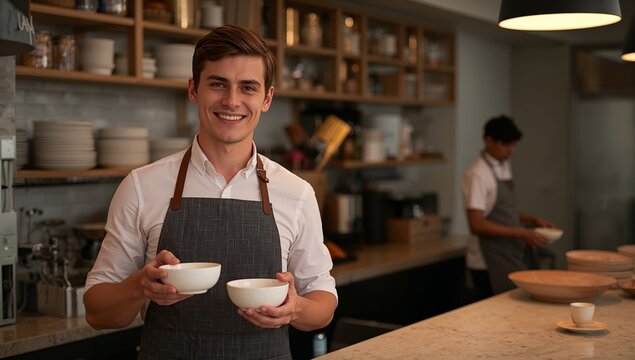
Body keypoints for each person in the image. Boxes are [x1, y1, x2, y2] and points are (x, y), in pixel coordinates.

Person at [83, 25, 338, 359]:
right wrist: (138, 287)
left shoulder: (296, 192)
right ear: (193, 90)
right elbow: (97, 312)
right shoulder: (142, 186)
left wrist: (296, 309)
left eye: (248, 87)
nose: (232, 101)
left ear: (267, 99)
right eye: (218, 83)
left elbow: (323, 302)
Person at [461, 115, 554, 297]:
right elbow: (476, 224)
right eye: (506, 145)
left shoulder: (502, 166)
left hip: (507, 252)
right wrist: (520, 233)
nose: (511, 151)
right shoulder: (478, 174)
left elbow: (502, 211)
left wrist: (532, 220)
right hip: (486, 261)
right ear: (489, 141)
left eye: (513, 145)